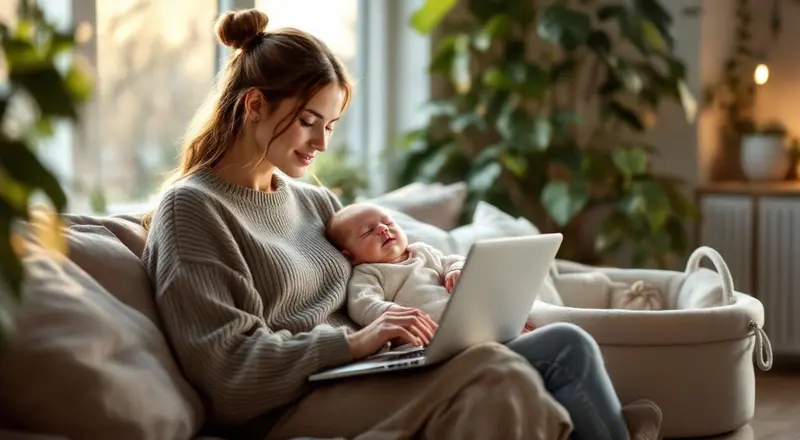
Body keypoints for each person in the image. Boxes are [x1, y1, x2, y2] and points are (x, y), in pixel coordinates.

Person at [141, 8, 662, 440]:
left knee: (565, 343)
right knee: (499, 376)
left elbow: (383, 273)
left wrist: (453, 289)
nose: (321, 144)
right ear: (255, 105)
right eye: (308, 122)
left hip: (374, 368)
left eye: (330, 126)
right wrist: (354, 343)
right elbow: (229, 373)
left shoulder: (312, 201)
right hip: (294, 401)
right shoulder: (192, 210)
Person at [325, 201, 537, 334]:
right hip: (432, 335)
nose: (382, 229)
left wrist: (455, 269)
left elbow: (452, 260)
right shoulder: (369, 274)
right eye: (367, 231)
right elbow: (363, 304)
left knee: (539, 325)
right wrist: (393, 313)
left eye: (388, 223)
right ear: (350, 256)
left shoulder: (421, 251)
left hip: (472, 321)